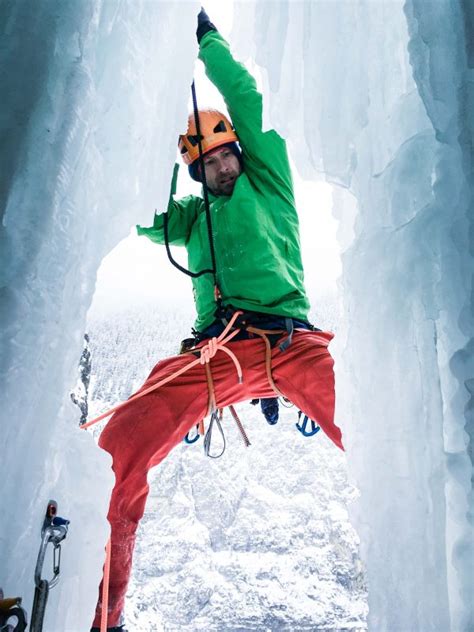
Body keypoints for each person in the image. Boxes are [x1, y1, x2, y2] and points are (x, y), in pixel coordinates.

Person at [91, 9, 343, 631]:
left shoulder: (270, 181)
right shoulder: (189, 218)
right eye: (208, 166)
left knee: (377, 419)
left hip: (292, 343)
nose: (223, 168)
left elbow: (248, 100)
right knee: (127, 437)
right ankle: (104, 613)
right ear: (196, 173)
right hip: (218, 355)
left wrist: (209, 44)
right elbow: (136, 199)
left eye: (227, 156)